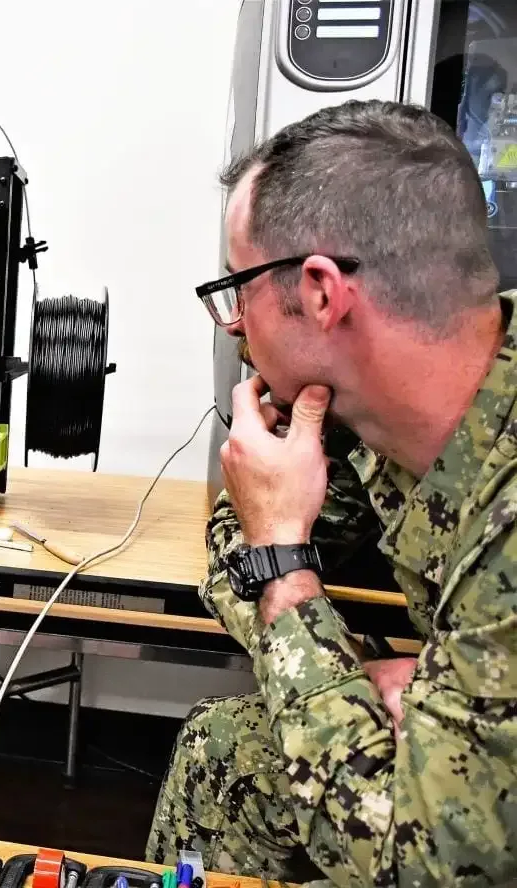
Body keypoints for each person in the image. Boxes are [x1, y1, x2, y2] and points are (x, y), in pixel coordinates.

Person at [145, 99, 517, 886]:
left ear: (320, 292)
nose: (234, 323)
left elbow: (423, 872)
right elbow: (232, 547)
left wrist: (285, 566)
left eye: (239, 287)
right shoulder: (375, 406)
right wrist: (364, 673)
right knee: (228, 753)